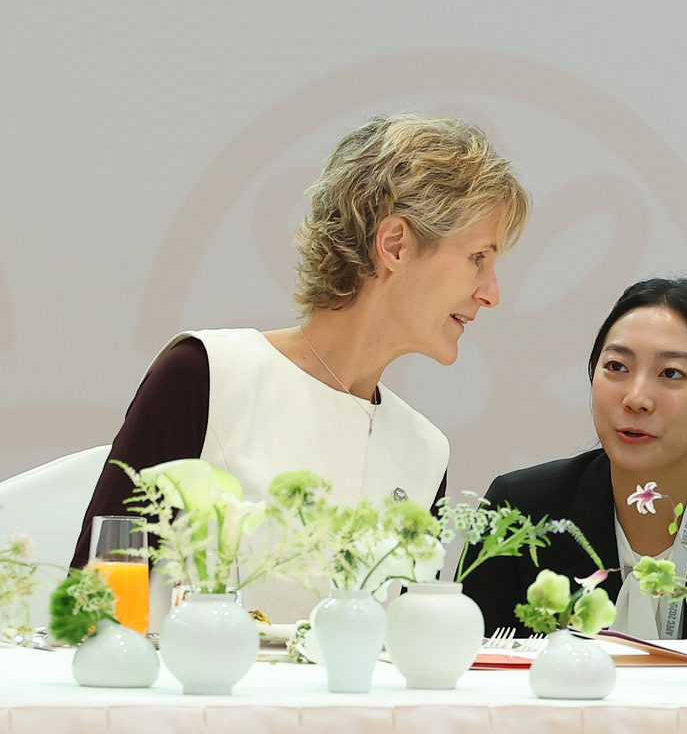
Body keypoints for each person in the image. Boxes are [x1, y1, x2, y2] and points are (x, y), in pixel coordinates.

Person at [72, 115, 530, 621]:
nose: (491, 293)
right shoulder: (205, 376)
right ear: (395, 244)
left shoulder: (424, 451)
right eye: (478, 258)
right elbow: (94, 612)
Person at [463, 278, 687, 639]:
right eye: (617, 367)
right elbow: (464, 667)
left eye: (671, 373)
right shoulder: (520, 510)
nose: (636, 398)